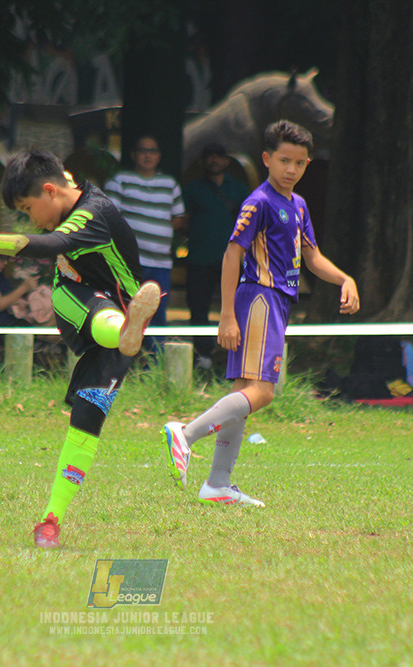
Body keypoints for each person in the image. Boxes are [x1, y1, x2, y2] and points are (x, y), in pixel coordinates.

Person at [0, 150, 161, 549]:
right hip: (76, 300)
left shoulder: (93, 214)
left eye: (27, 208)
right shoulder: (68, 187)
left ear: (50, 191)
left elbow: (51, 242)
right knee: (96, 309)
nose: (29, 218)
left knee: (87, 420)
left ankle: (50, 521)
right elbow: (61, 177)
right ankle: (123, 330)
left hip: (118, 322)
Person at [162, 120, 360, 507]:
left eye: (300, 163)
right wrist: (226, 316)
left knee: (244, 393)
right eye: (285, 160)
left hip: (277, 304)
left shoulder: (298, 205)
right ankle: (184, 435)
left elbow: (311, 256)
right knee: (264, 392)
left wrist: (344, 279)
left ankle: (217, 484)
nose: (292, 169)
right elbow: (232, 254)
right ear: (267, 159)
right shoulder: (259, 202)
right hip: (259, 299)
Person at [104, 135, 187, 349]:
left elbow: (178, 217)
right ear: (133, 154)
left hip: (160, 264)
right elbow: (111, 218)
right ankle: (120, 364)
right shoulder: (120, 180)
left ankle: (153, 367)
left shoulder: (169, 184)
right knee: (122, 312)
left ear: (159, 156)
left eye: (153, 151)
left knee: (157, 317)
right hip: (128, 263)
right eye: (143, 150)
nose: (148, 155)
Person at [182, 143, 250, 368]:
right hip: (200, 258)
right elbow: (183, 222)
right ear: (203, 162)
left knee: (237, 308)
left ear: (227, 161)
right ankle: (204, 355)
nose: (214, 161)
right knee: (198, 307)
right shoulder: (192, 189)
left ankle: (234, 355)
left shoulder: (240, 189)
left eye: (218, 156)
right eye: (209, 157)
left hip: (232, 261)